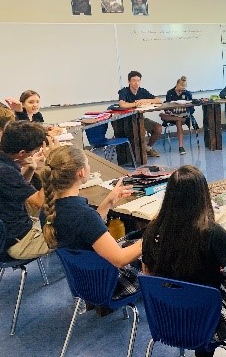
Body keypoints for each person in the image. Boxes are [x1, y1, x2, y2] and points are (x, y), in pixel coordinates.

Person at [142, 165, 226, 356]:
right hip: (207, 320)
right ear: (203, 196)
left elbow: (148, 273)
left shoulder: (152, 230)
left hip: (168, 318)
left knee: (219, 272)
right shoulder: (211, 233)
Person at [40, 145, 142, 301]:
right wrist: (151, 239)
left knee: (135, 237)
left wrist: (108, 201)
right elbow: (120, 259)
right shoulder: (84, 216)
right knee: (155, 245)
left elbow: (88, 231)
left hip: (83, 280)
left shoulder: (49, 210)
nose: (89, 167)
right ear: (81, 172)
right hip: (109, 284)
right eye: (87, 163)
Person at [0, 121, 50, 259]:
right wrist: (51, 165)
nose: (34, 154)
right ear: (22, 153)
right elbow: (41, 201)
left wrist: (31, 169)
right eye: (34, 151)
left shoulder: (6, 163)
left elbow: (16, 190)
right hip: (18, 242)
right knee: (75, 231)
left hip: (10, 228)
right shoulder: (5, 171)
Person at [118, 71, 163, 157]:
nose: (136, 83)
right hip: (128, 121)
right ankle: (141, 153)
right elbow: (122, 105)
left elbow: (158, 100)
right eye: (134, 80)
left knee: (158, 128)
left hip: (140, 118)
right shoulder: (123, 91)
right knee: (141, 131)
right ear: (129, 81)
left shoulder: (142, 91)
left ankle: (148, 148)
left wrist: (144, 100)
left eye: (138, 80)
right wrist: (136, 104)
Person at [159, 76, 196, 155]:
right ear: (177, 84)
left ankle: (181, 146)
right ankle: (178, 118)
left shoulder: (187, 93)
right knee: (161, 114)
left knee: (178, 121)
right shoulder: (170, 93)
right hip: (172, 115)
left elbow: (192, 109)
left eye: (184, 88)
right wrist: (170, 112)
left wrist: (187, 112)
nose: (182, 89)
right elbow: (166, 107)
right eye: (181, 87)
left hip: (184, 116)